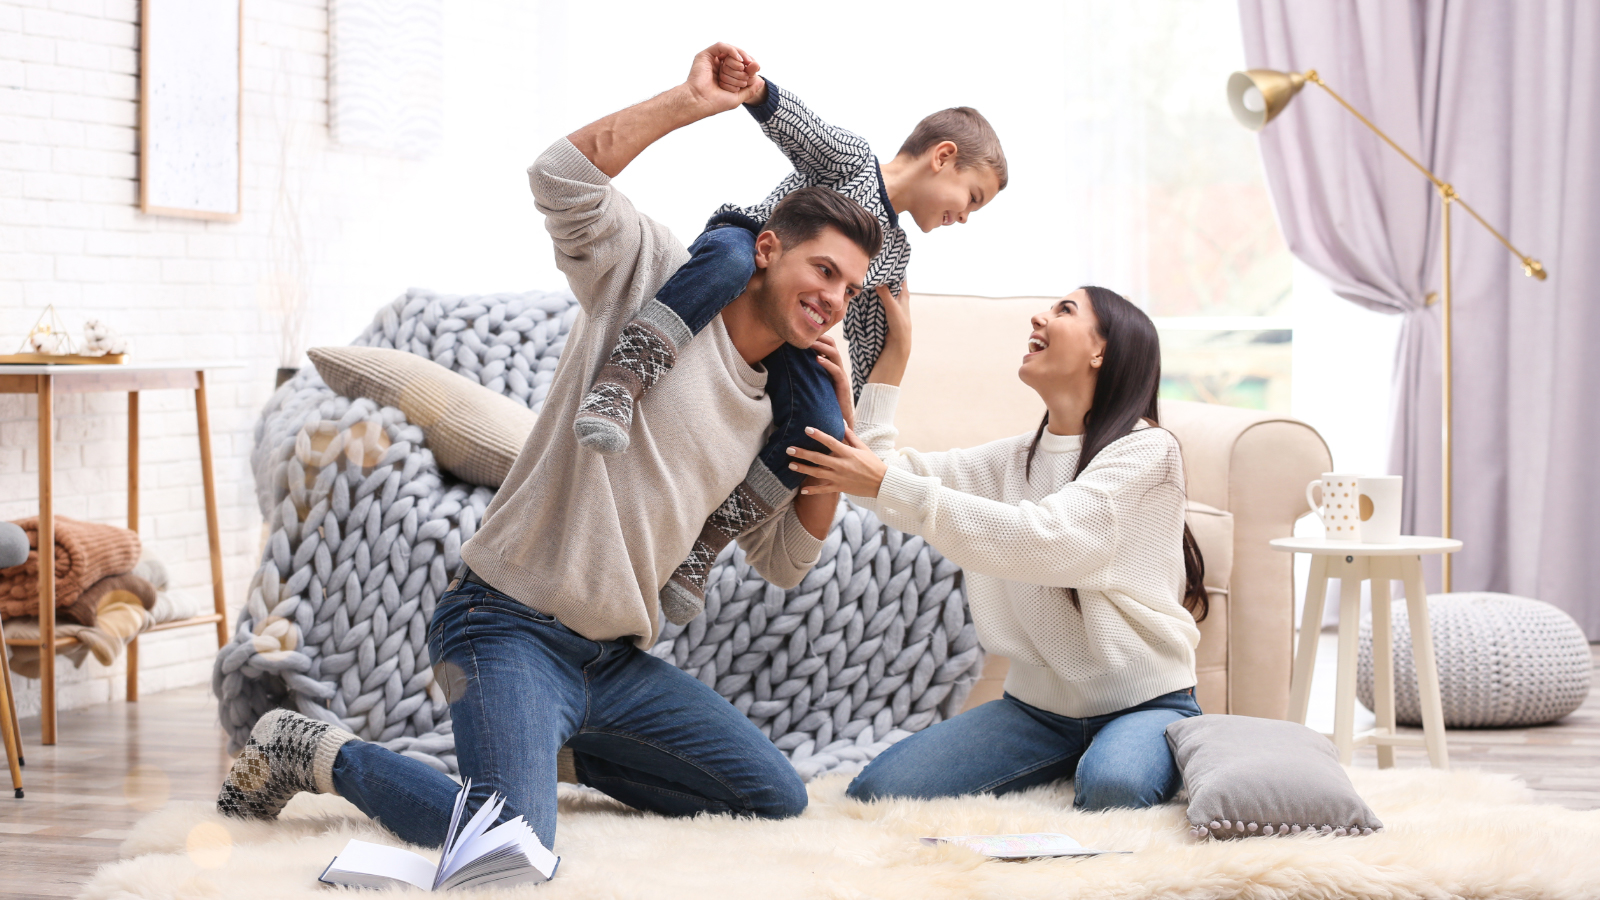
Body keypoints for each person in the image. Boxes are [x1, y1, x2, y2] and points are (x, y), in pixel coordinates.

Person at [214, 43, 879, 850]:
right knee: (510, 843)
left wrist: (835, 430)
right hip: (505, 626)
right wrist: (687, 102)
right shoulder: (655, 274)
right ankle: (314, 750)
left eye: (851, 289)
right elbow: (558, 177)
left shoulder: (787, 402)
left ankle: (552, 750)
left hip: (613, 664)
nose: (835, 301)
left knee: (773, 796)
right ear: (767, 250)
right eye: (825, 270)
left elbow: (786, 562)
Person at [572, 49, 1008, 618]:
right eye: (972, 198)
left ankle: (704, 546)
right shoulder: (852, 163)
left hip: (793, 329)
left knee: (823, 427)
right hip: (749, 252)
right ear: (944, 157)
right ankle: (620, 381)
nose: (966, 217)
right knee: (730, 261)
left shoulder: (894, 257)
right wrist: (754, 91)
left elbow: (870, 347)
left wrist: (893, 357)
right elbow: (806, 132)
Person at [786, 285, 1210, 810]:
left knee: (1114, 788)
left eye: (1065, 309)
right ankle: (1074, 760)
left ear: (1102, 351)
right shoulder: (1012, 461)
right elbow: (878, 482)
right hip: (1035, 712)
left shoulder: (1149, 451)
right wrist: (893, 358)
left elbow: (1051, 540)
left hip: (1143, 703)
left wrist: (886, 485)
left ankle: (1142, 746)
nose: (1039, 315)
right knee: (879, 792)